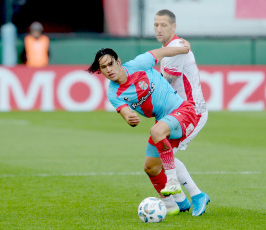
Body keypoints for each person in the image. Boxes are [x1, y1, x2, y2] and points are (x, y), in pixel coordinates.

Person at [87, 43, 202, 216]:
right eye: (103, 67)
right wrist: (130, 119)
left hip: (183, 111)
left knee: (156, 131)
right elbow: (126, 114)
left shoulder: (138, 64)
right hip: (164, 122)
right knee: (150, 167)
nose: (108, 69)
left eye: (111, 64)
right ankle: (174, 205)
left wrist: (183, 49)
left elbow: (161, 52)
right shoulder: (113, 93)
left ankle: (181, 186)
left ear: (118, 61)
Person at [152, 9, 210, 216]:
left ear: (174, 27)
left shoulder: (177, 47)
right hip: (178, 113)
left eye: (164, 25)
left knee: (165, 155)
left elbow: (165, 82)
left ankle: (195, 196)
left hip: (193, 111)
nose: (159, 29)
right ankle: (184, 200)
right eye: (156, 25)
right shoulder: (171, 48)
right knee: (162, 155)